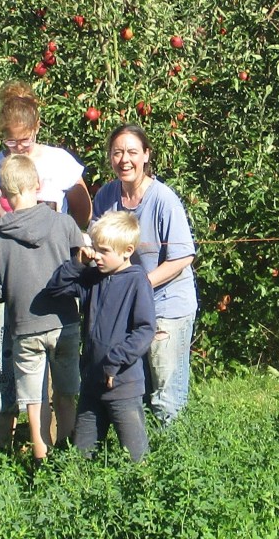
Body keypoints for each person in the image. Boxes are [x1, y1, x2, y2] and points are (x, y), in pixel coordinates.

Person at [0, 80, 91, 449]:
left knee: (55, 365)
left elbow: (82, 209)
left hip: (53, 277)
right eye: (10, 143)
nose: (17, 148)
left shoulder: (58, 161)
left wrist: (60, 240)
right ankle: (3, 444)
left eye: (23, 141)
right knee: (2, 357)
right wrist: (17, 245)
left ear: (37, 128)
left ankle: (51, 444)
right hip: (11, 275)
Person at [0, 155, 84, 466]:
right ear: (38, 184)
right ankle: (69, 453)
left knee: (34, 399)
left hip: (25, 328)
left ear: (1, 193)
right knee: (66, 393)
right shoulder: (64, 223)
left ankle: (42, 460)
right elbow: (79, 271)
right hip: (65, 323)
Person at [91, 123, 197, 425]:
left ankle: (174, 449)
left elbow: (183, 256)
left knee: (165, 392)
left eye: (132, 152)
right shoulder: (107, 196)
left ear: (146, 155)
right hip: (128, 306)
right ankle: (139, 448)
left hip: (167, 304)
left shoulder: (163, 199)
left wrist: (138, 285)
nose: (124, 160)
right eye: (117, 153)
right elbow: (96, 241)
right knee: (137, 384)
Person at [46, 211, 155, 462]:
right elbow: (55, 289)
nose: (97, 256)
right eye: (95, 248)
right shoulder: (92, 278)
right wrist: (77, 264)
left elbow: (145, 329)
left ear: (127, 251)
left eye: (104, 251)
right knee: (82, 455)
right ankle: (81, 484)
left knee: (135, 455)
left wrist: (115, 360)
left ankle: (144, 484)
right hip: (91, 382)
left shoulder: (137, 281)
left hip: (123, 384)